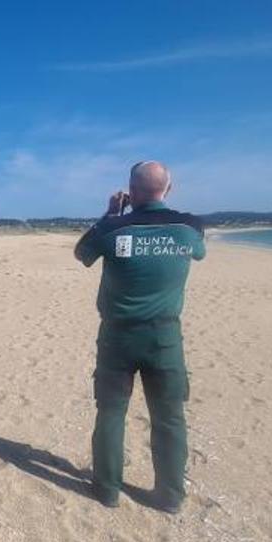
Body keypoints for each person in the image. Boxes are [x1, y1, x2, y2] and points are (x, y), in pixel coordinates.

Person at [74, 161, 205, 513]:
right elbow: (199, 251)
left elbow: (82, 253)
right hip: (164, 338)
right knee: (169, 416)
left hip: (117, 337)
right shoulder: (189, 226)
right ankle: (170, 496)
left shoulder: (113, 228)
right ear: (170, 188)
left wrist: (109, 214)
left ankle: (107, 490)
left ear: (130, 193)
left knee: (111, 413)